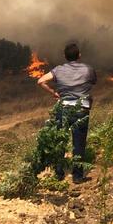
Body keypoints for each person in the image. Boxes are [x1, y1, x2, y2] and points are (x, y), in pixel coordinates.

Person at [36, 43, 97, 183]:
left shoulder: (58, 69)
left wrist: (54, 93)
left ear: (65, 56)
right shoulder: (88, 69)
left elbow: (40, 81)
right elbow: (93, 82)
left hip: (63, 109)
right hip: (81, 109)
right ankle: (77, 176)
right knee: (79, 143)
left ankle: (58, 174)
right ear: (79, 55)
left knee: (60, 141)